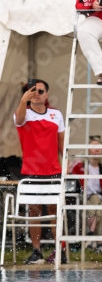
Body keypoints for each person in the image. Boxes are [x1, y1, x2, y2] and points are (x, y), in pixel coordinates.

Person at [14, 79, 65, 265]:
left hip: (53, 170)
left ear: (47, 94)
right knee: (34, 211)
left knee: (55, 210)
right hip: (31, 170)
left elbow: (62, 143)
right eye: (33, 91)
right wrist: (22, 101)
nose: (37, 94)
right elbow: (18, 121)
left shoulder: (56, 114)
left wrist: (66, 164)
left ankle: (60, 249)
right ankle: (36, 251)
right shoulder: (23, 113)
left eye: (41, 91)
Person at [71, 137, 102, 253]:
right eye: (93, 147)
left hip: (99, 199)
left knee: (98, 203)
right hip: (82, 198)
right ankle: (100, 244)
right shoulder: (79, 165)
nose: (96, 149)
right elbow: (68, 173)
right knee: (99, 204)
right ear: (88, 150)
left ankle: (90, 235)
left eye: (98, 147)